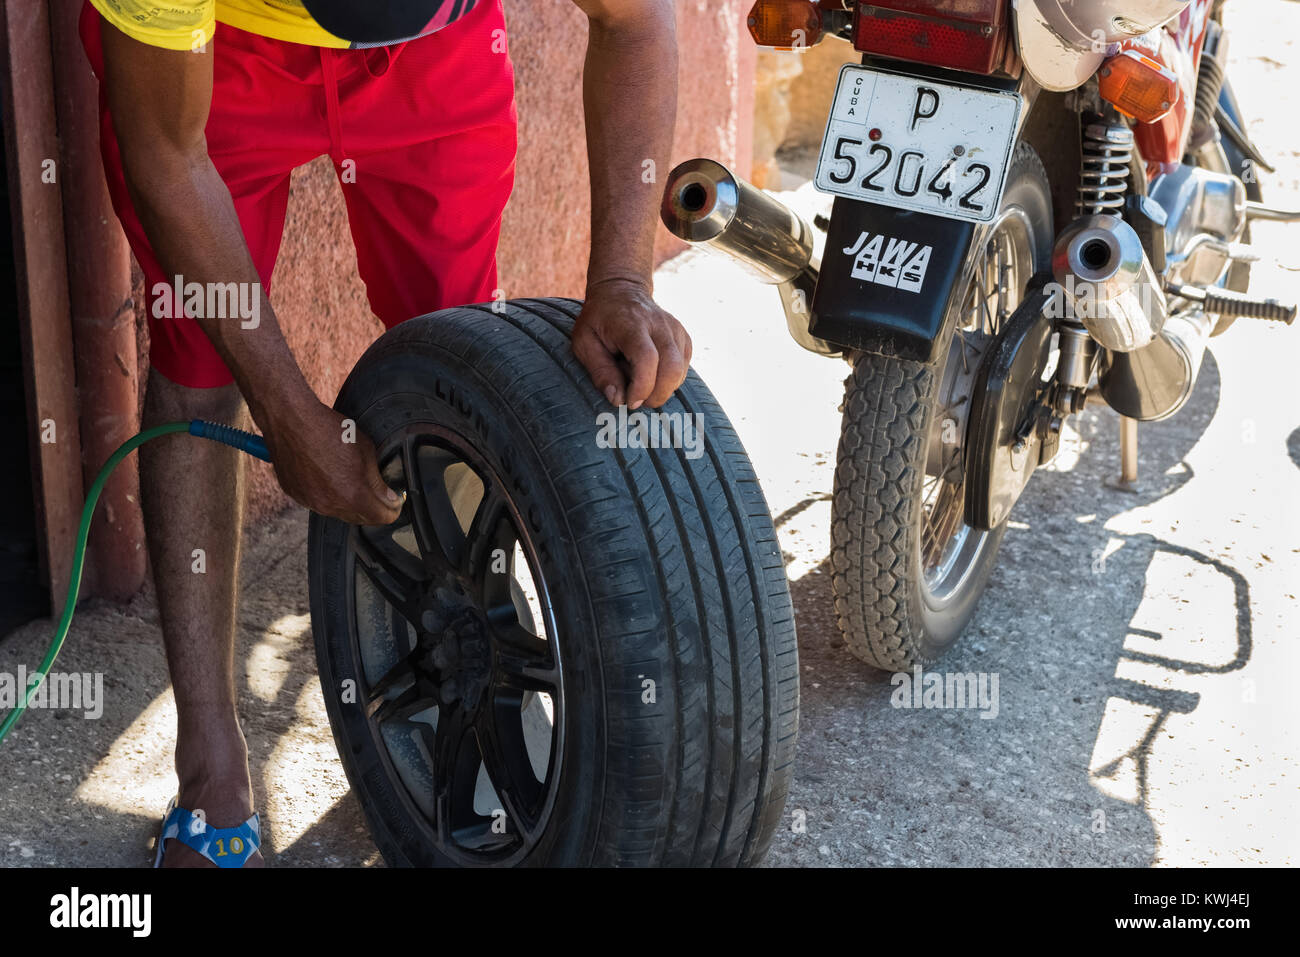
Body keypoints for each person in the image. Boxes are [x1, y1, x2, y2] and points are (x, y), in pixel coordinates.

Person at [79, 0, 691, 867]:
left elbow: (638, 23)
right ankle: (209, 772)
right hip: (224, 56)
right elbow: (166, 158)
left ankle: (466, 675)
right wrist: (289, 414)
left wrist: (624, 278)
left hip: (436, 57)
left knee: (460, 359)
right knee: (200, 361)